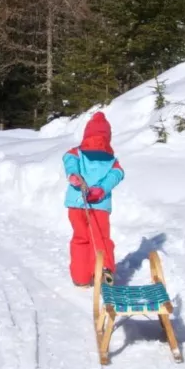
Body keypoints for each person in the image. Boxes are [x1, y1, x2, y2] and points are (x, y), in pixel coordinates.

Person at [63, 111, 124, 286]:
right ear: (108, 136)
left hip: (76, 204)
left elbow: (69, 160)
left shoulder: (76, 152)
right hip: (99, 206)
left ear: (86, 133)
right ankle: (105, 272)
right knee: (101, 238)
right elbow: (117, 174)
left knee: (80, 238)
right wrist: (101, 189)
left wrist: (73, 175)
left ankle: (81, 277)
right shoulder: (111, 159)